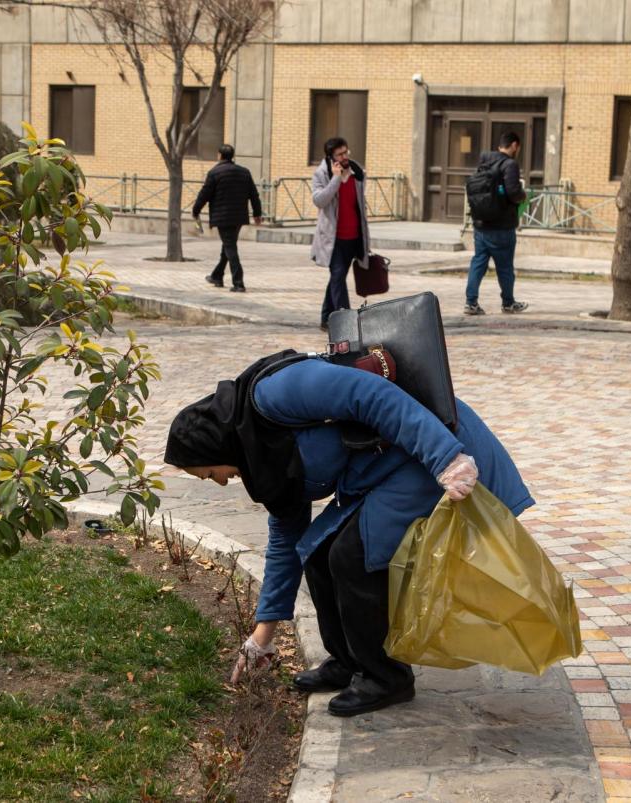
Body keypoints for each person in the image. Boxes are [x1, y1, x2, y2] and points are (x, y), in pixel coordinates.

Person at [164, 352, 533, 717]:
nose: (221, 482)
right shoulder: (261, 455)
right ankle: (348, 661)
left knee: (353, 555)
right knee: (317, 550)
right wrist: (263, 636)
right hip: (381, 467)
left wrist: (446, 458)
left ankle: (387, 678)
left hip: (428, 448)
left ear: (215, 445)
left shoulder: (275, 393)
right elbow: (286, 543)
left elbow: (372, 395)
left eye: (209, 474)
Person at [464, 130, 529, 316]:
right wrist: (523, 196)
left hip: (481, 223)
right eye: (518, 148)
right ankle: (508, 303)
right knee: (505, 267)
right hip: (502, 225)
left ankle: (470, 303)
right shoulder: (510, 164)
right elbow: (513, 192)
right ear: (514, 145)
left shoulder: (484, 161)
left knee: (478, 263)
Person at [311, 137, 371, 331]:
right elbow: (319, 201)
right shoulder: (322, 173)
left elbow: (359, 205)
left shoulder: (357, 172)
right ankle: (347, 322)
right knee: (337, 276)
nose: (345, 157)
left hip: (353, 236)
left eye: (346, 152)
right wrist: (336, 179)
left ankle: (326, 318)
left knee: (337, 278)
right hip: (332, 238)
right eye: (340, 154)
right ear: (331, 157)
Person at [193, 144, 263, 293]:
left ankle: (238, 283)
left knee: (230, 247)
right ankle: (217, 276)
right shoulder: (244, 172)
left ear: (219, 155)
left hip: (223, 217)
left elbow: (204, 194)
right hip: (239, 217)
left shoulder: (214, 173)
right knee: (228, 245)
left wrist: (196, 210)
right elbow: (253, 194)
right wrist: (257, 213)